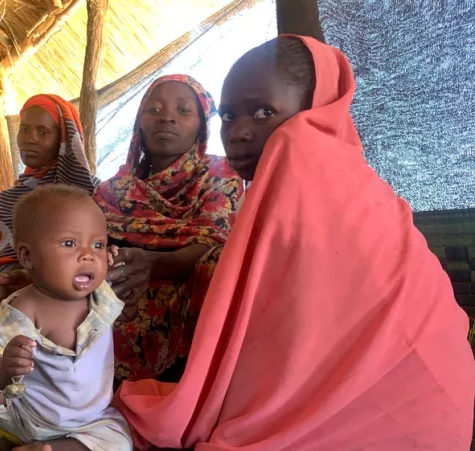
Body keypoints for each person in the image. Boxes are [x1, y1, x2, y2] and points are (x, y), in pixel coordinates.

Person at [113, 35, 475, 450]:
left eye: (264, 112)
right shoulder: (350, 184)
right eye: (229, 116)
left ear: (316, 110)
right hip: (436, 410)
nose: (241, 132)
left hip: (399, 413)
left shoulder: (304, 166)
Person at [0, 185, 132, 451]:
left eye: (98, 244)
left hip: (88, 421)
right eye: (69, 243)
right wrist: (5, 367)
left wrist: (113, 263)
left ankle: (51, 449)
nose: (88, 255)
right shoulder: (22, 309)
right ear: (28, 257)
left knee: (120, 442)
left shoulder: (102, 296)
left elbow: (128, 304)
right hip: (26, 412)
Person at [93, 75, 243, 382]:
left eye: (184, 110)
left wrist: (154, 264)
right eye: (155, 109)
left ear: (202, 126)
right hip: (115, 296)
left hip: (188, 301)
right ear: (140, 121)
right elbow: (87, 242)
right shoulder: (113, 190)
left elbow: (215, 244)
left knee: (218, 266)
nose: (167, 117)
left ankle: (188, 391)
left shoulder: (220, 176)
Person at [0, 94, 98, 296]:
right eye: (24, 129)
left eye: (43, 132)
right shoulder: (7, 199)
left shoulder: (90, 195)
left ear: (63, 141)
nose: (29, 138)